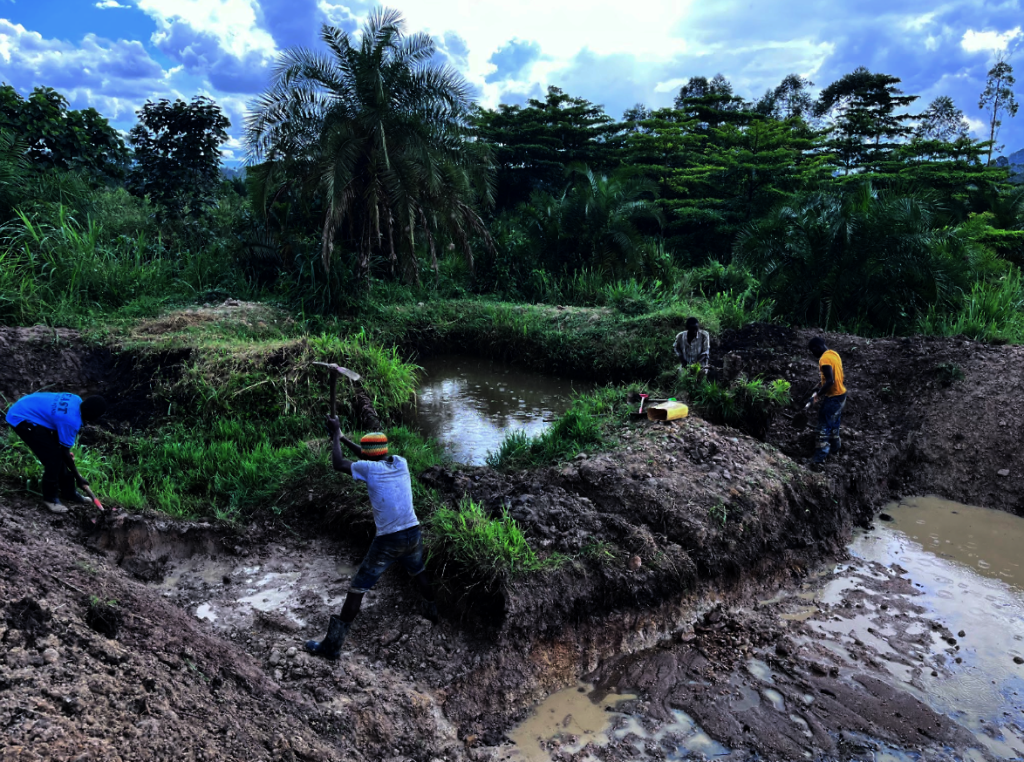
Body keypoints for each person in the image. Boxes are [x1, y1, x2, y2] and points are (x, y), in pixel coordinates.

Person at [305, 421, 438, 660]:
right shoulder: (400, 462)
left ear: (368, 456)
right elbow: (366, 456)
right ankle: (432, 614)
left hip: (388, 540)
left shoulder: (369, 470)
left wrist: (335, 437)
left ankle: (332, 646)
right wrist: (345, 438)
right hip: (413, 532)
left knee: (358, 588)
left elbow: (338, 463)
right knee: (419, 571)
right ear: (386, 450)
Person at [4, 392, 107, 513]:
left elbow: (61, 441)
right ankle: (50, 499)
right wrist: (78, 478)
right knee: (53, 458)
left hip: (29, 405)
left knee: (58, 453)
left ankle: (69, 493)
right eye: (96, 417)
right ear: (90, 413)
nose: (95, 420)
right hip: (22, 417)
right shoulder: (71, 421)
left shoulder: (76, 399)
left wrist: (65, 454)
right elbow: (64, 452)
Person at [807, 337, 847, 463]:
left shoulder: (824, 359)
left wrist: (818, 395)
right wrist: (820, 385)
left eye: (812, 351)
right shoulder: (834, 354)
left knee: (823, 427)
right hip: (841, 395)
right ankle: (835, 448)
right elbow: (832, 376)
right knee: (834, 424)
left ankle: (819, 458)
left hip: (833, 397)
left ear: (816, 348)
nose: (813, 354)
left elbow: (830, 381)